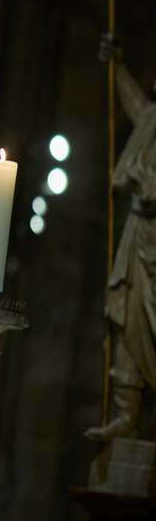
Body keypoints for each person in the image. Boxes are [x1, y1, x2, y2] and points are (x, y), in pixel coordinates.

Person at [85, 34, 156, 441]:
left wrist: (147, 185)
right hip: (136, 236)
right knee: (125, 314)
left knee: (149, 321)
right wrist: (117, 67)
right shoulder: (152, 118)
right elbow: (135, 105)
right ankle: (126, 412)